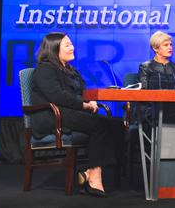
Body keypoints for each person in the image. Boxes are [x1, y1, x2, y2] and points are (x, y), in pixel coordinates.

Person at [30, 32, 124, 197]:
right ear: (53, 49)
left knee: (116, 124)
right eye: (67, 45)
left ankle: (90, 172)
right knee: (98, 124)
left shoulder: (70, 70)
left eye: (71, 44)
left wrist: (92, 101)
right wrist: (84, 106)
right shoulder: (45, 69)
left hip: (71, 113)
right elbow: (57, 96)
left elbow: (83, 92)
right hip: (53, 116)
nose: (72, 47)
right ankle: (94, 178)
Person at [130, 31, 175, 122]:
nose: (170, 48)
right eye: (166, 45)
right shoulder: (145, 67)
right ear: (155, 48)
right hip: (150, 108)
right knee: (163, 114)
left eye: (170, 45)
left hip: (173, 107)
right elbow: (143, 93)